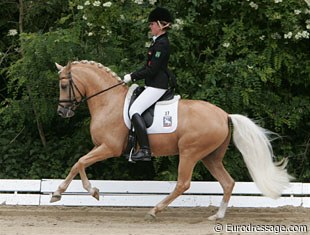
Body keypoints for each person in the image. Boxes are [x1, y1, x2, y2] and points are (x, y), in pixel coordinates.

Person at [123, 7, 174, 161]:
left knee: (134, 110)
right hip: (151, 83)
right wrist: (132, 75)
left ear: (160, 25)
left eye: (152, 24)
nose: (150, 27)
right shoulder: (156, 42)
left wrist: (132, 76)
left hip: (157, 85)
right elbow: (147, 67)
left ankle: (145, 150)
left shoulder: (162, 44)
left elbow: (152, 70)